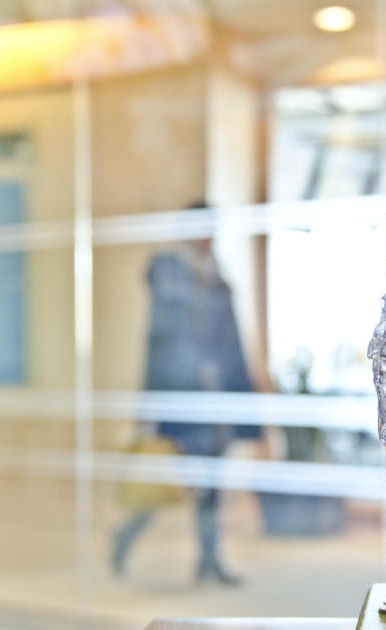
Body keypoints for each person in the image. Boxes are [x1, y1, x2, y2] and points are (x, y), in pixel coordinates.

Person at [112, 207, 256, 586]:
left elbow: (231, 342)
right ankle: (125, 536)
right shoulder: (171, 273)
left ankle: (209, 560)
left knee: (210, 485)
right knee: (165, 483)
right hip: (182, 401)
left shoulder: (216, 276)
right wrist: (151, 405)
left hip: (215, 403)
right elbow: (159, 342)